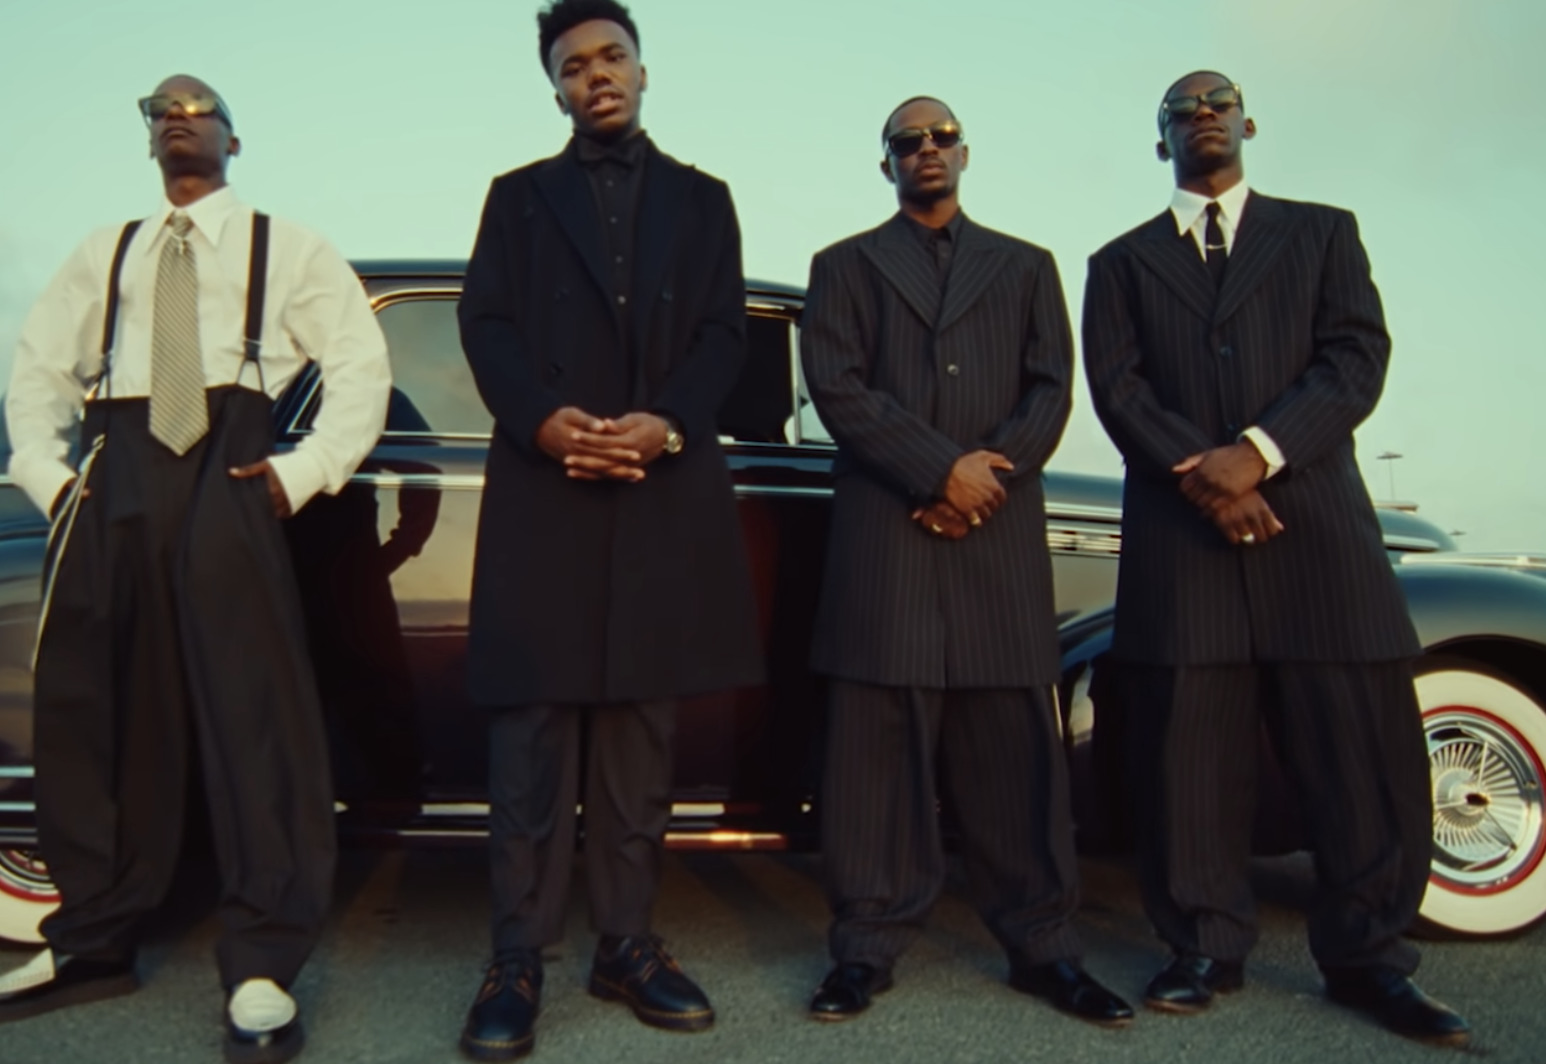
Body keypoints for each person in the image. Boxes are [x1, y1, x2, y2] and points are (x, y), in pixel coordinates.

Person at [0, 75, 391, 1064]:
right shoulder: (106, 251)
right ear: (149, 140)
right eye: (159, 109)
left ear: (232, 135)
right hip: (113, 477)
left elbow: (358, 364)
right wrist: (54, 484)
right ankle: (93, 933)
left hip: (235, 465)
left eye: (198, 105)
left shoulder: (286, 245)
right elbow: (38, 370)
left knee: (253, 712)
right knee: (96, 711)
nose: (178, 116)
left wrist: (298, 475)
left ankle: (261, 960)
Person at [1081, 70, 1469, 1047]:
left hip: (1316, 535)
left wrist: (1254, 452)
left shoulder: (1321, 233)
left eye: (1218, 101)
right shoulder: (1118, 263)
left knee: (1357, 754)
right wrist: (1207, 478)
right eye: (1180, 108)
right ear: (1157, 137)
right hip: (1182, 539)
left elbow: (1353, 359)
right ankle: (1204, 944)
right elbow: (1118, 392)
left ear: (1247, 123)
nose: (1200, 114)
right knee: (1189, 759)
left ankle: (1371, 959)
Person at [455, 1, 762, 1058]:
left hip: (659, 490)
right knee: (529, 736)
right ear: (555, 87)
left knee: (641, 732)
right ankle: (516, 957)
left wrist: (666, 422)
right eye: (574, 63)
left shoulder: (705, 200)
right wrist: (543, 423)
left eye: (611, 56)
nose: (596, 74)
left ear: (640, 68)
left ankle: (626, 941)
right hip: (546, 491)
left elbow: (726, 333)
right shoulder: (516, 199)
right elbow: (484, 325)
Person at [798, 95, 1133, 1028]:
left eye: (941, 136)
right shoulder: (843, 267)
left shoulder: (1027, 268)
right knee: (875, 755)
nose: (927, 150)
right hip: (887, 539)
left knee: (1014, 757)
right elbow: (838, 388)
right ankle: (863, 950)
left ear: (966, 151)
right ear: (887, 166)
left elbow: (1050, 387)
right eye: (908, 142)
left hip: (996, 543)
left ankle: (1045, 948)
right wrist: (938, 470)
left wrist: (988, 477)